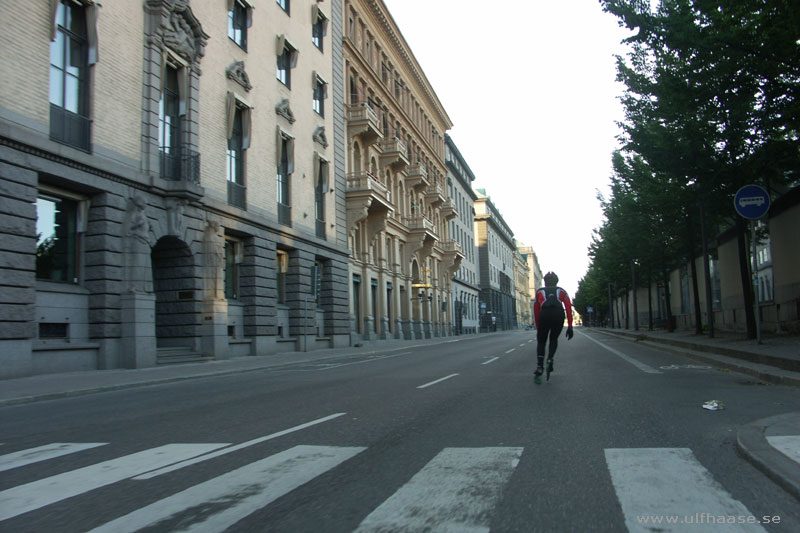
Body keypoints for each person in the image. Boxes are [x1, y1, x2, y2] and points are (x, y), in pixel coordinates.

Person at [532, 272, 573, 383]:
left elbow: (536, 310)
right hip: (558, 314)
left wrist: (537, 326)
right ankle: (550, 358)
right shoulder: (562, 291)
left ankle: (540, 366)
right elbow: (568, 307)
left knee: (541, 342)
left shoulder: (539, 291)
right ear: (557, 281)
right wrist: (570, 325)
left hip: (544, 314)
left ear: (545, 282)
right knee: (553, 339)